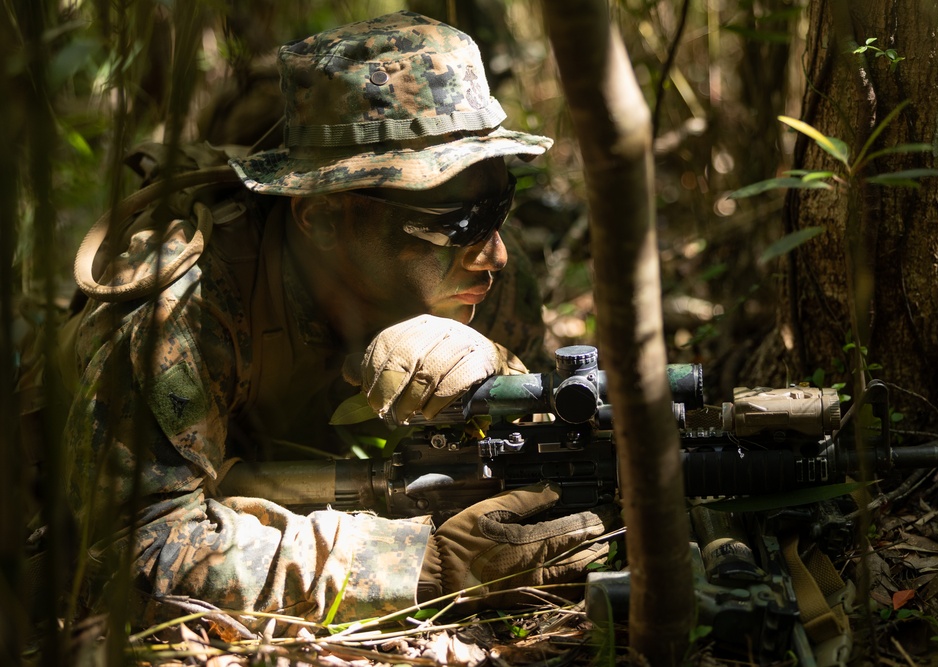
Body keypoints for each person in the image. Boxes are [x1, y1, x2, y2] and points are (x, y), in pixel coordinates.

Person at [51, 11, 618, 632]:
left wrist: (496, 383)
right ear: (321, 218)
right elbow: (128, 552)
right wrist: (415, 568)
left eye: (499, 204)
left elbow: (516, 471)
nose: (495, 250)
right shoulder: (185, 312)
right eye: (455, 220)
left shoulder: (493, 280)